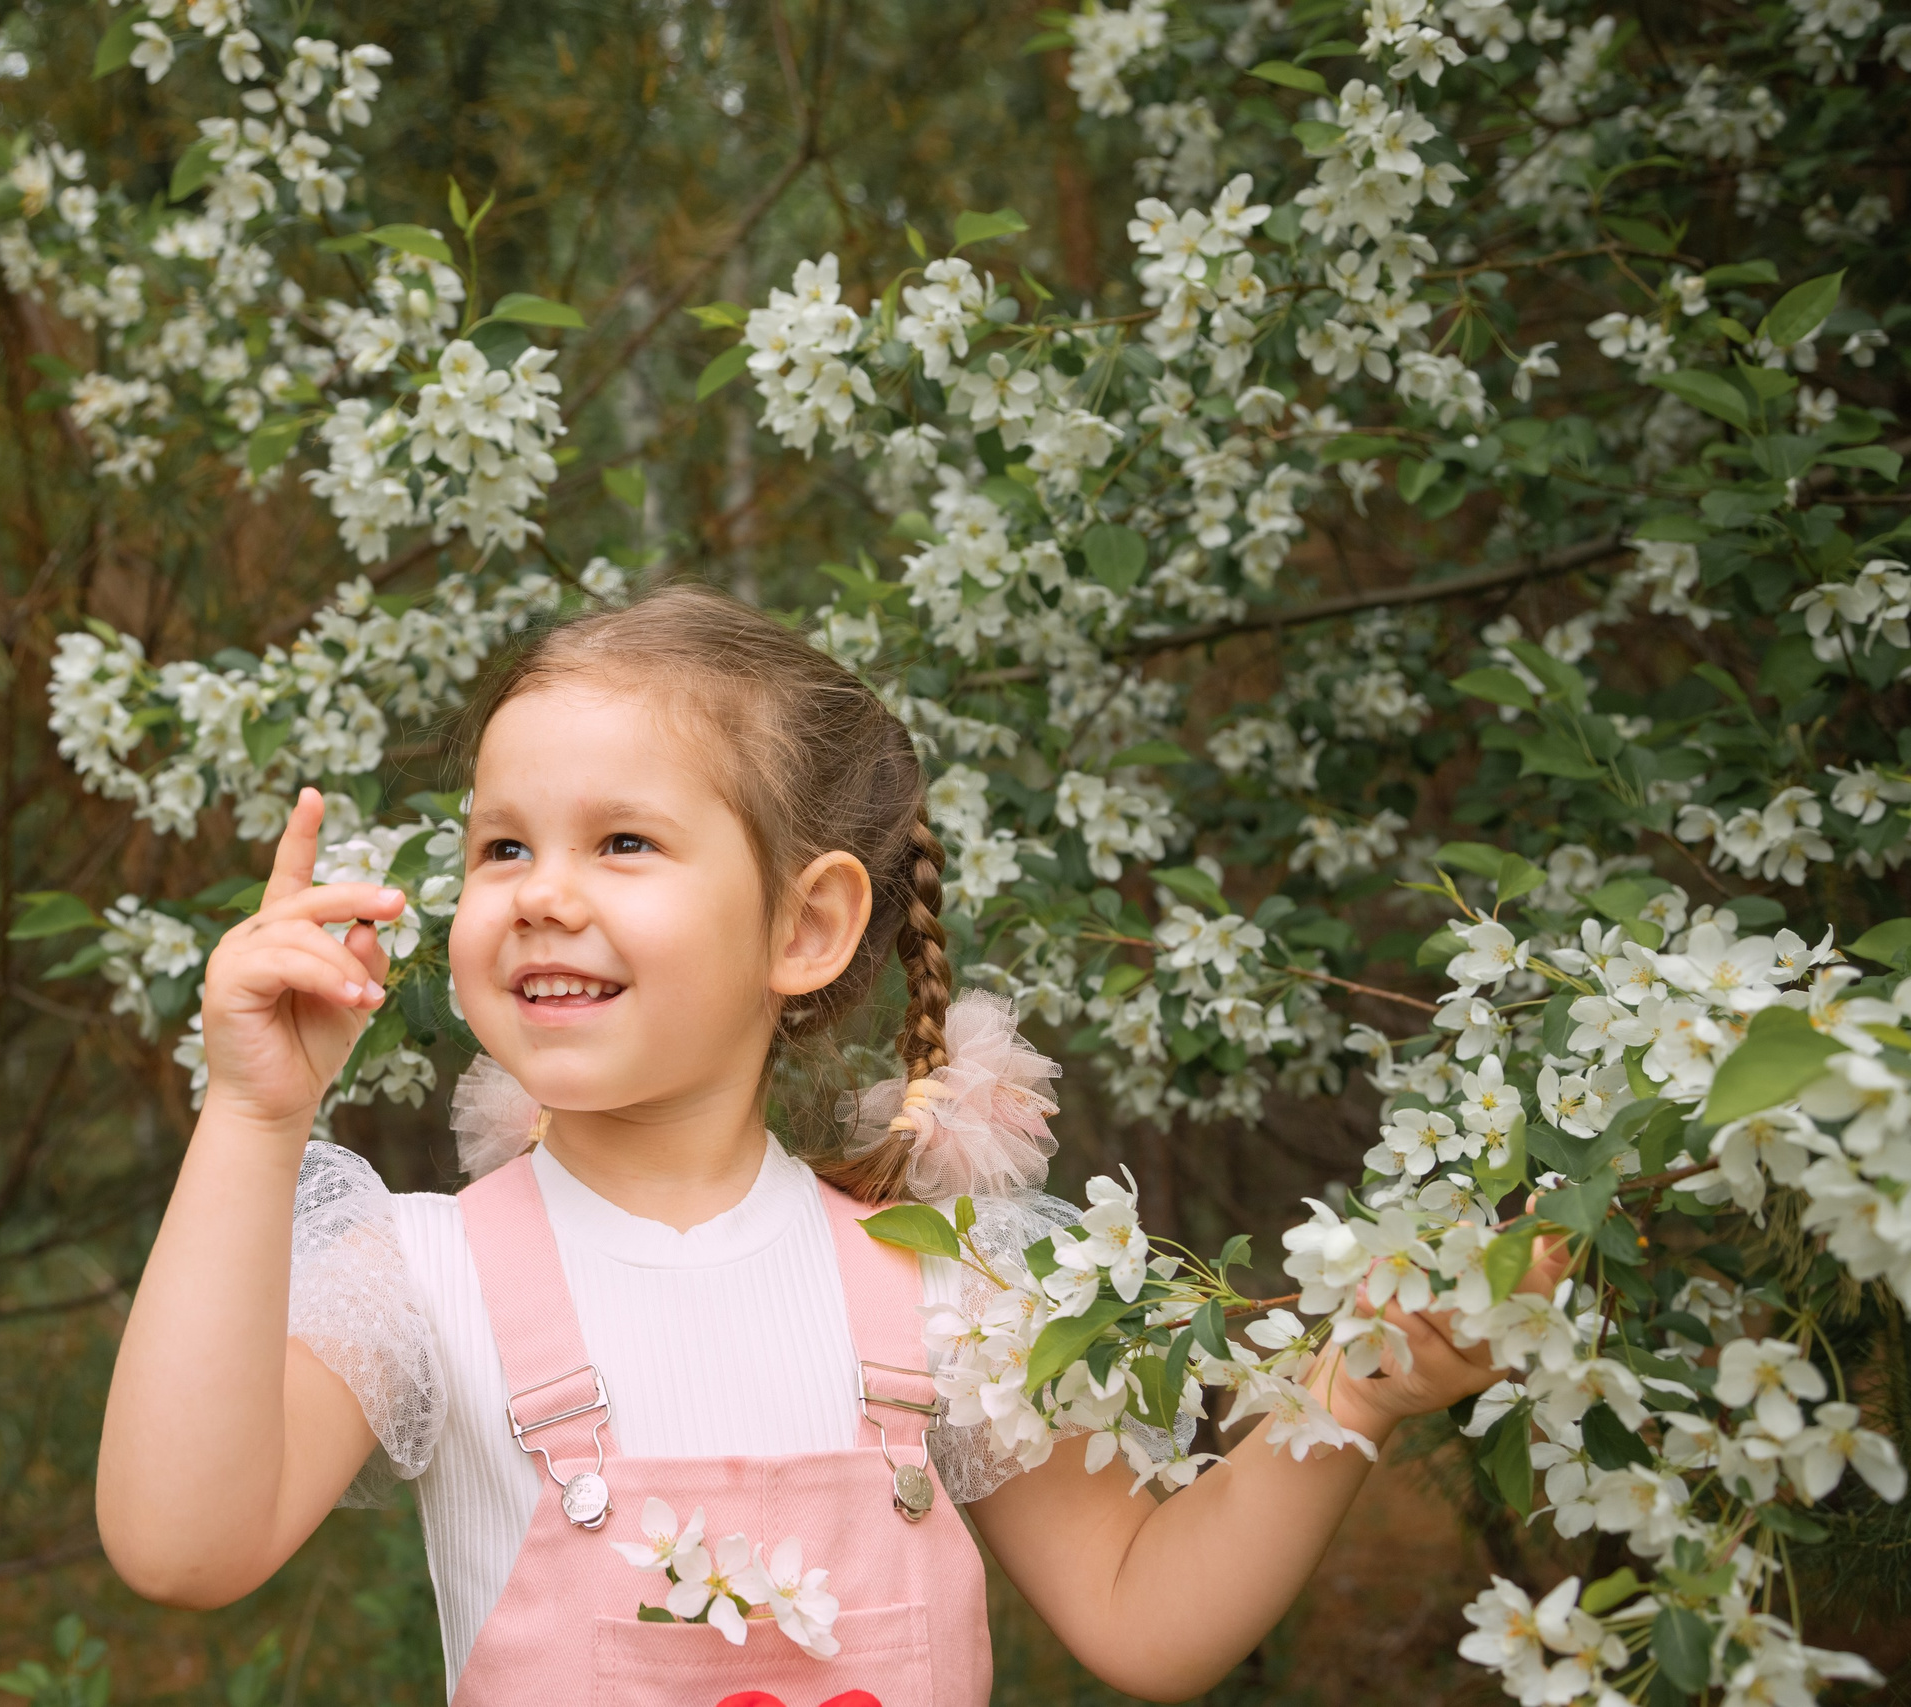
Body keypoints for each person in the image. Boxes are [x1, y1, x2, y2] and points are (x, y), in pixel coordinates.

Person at [95, 585, 1516, 1706]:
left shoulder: (948, 1292)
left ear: (805, 927)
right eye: (502, 848)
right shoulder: (427, 1273)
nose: (540, 896)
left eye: (625, 844)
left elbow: (1149, 1619)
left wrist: (1354, 1399)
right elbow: (179, 1546)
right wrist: (255, 1114)